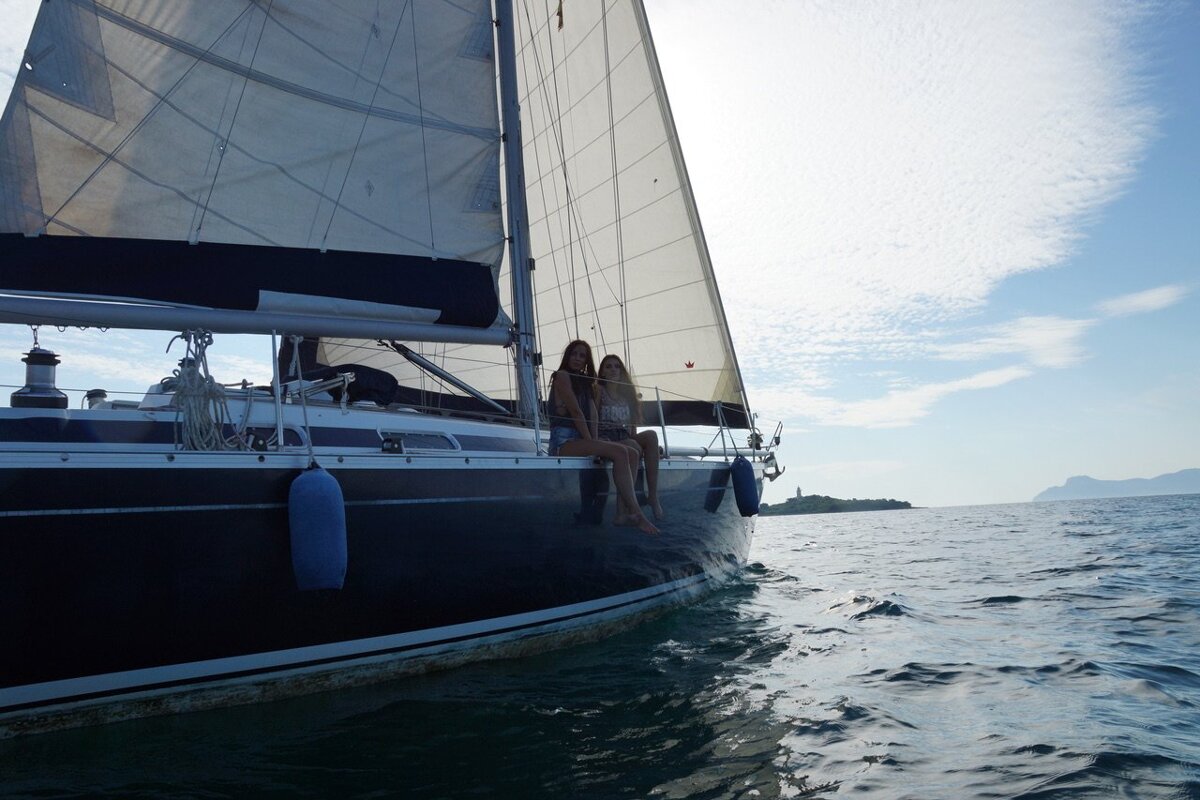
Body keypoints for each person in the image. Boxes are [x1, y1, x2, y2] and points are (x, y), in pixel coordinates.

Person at [548, 340, 658, 535]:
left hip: (580, 439)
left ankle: (622, 514)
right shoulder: (562, 376)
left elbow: (593, 415)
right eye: (574, 354)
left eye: (582, 356)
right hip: (563, 442)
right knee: (621, 450)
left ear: (586, 361)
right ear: (567, 356)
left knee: (630, 452)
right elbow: (575, 411)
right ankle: (637, 514)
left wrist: (594, 442)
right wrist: (594, 443)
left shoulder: (584, 383)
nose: (577, 359)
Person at [597, 354, 664, 520]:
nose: (613, 369)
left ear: (622, 371)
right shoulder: (599, 391)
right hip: (606, 436)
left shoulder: (627, 397)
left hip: (625, 436)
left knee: (651, 436)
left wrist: (651, 450)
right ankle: (623, 508)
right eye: (608, 366)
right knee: (632, 447)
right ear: (602, 372)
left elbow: (633, 431)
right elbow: (592, 416)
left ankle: (653, 496)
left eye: (617, 366)